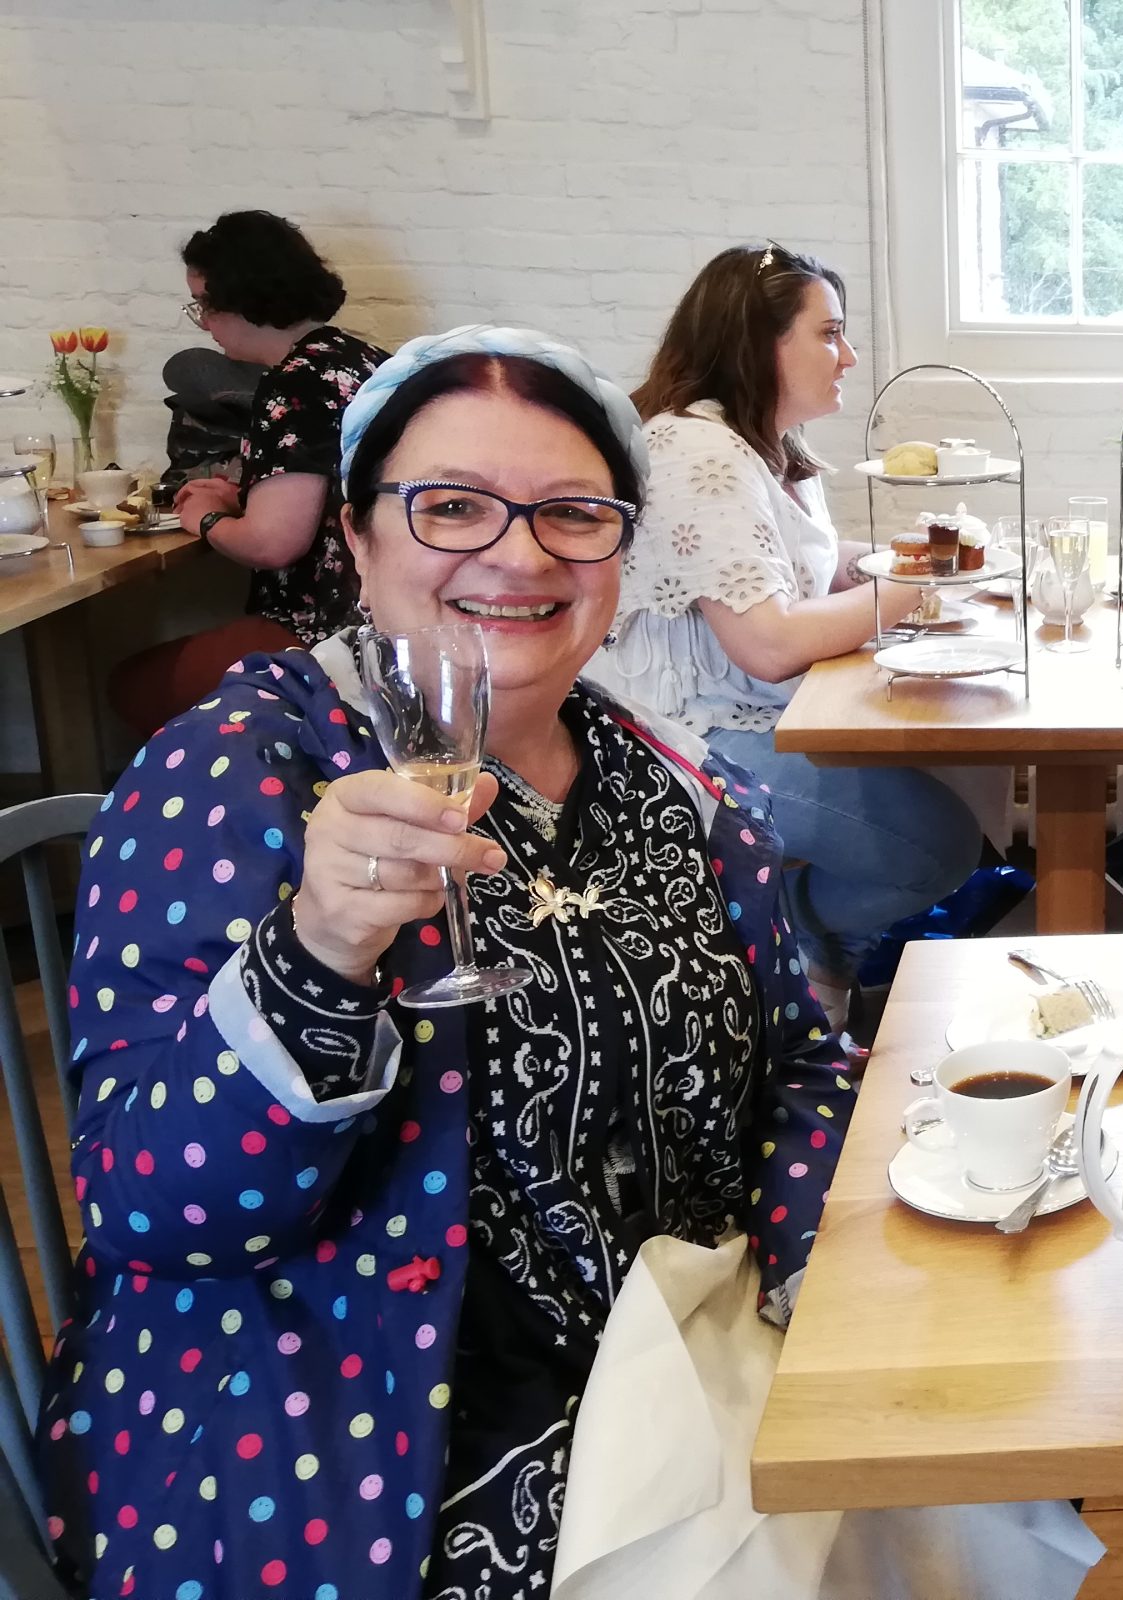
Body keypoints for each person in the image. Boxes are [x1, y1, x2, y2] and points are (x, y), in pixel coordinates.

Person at [39, 327, 854, 1600]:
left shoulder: (669, 782)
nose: (520, 555)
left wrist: (817, 1275)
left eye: (573, 514)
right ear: (357, 539)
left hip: (681, 1348)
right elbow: (157, 1215)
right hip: (353, 1425)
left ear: (621, 551)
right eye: (453, 507)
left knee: (967, 1449)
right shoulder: (236, 772)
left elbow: (803, 1059)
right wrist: (316, 957)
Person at [592, 243, 983, 998]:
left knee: (958, 776)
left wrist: (922, 555)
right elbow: (768, 644)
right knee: (939, 847)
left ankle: (814, 959)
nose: (849, 356)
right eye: (829, 334)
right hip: (685, 738)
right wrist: (916, 581)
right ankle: (801, 939)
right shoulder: (694, 450)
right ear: (757, 341)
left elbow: (807, 565)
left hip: (753, 714)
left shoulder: (760, 441)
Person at [113, 210, 386, 733]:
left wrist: (206, 518)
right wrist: (247, 498)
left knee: (133, 687)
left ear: (243, 299)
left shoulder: (296, 384)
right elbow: (329, 491)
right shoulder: (357, 359)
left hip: (327, 633)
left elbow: (272, 544)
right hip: (382, 616)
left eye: (204, 305)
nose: (204, 323)